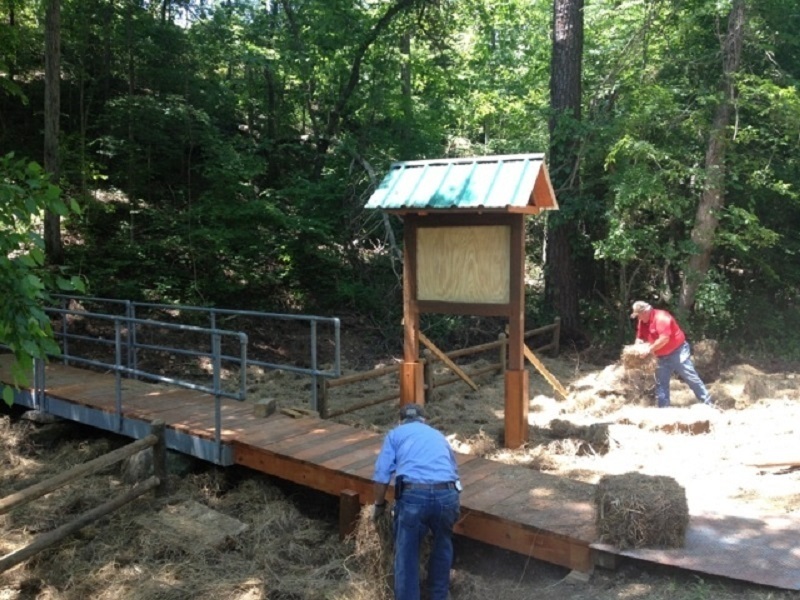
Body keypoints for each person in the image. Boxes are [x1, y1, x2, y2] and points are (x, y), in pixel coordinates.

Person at [372, 403, 461, 600]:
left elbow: (381, 476)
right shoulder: (438, 436)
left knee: (406, 556)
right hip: (448, 494)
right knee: (442, 546)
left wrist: (378, 506)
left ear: (400, 420)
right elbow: (454, 471)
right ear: (424, 420)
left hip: (414, 497)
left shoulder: (395, 434)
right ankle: (439, 596)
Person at [630, 300, 713, 408]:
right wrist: (638, 346)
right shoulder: (642, 321)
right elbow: (640, 336)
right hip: (660, 355)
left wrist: (648, 350)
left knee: (690, 378)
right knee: (661, 384)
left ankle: (709, 405)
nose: (638, 318)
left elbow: (664, 339)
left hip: (677, 352)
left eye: (639, 315)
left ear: (645, 312)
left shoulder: (662, 318)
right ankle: (664, 411)